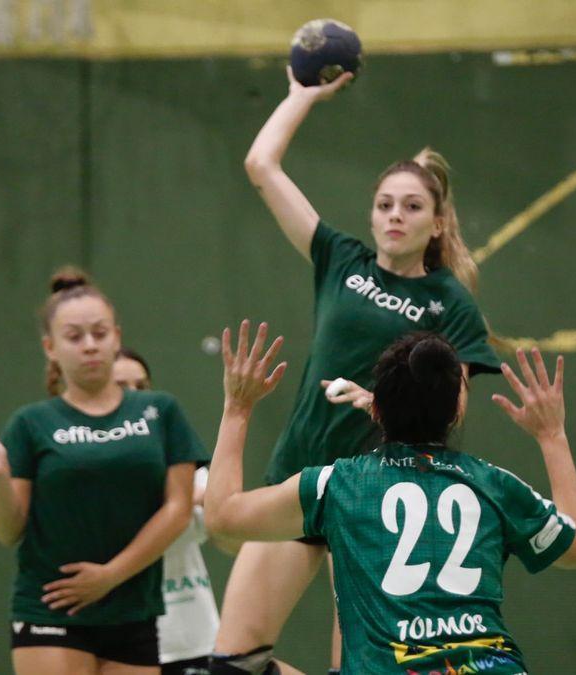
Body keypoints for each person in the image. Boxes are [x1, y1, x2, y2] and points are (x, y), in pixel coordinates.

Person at [213, 67, 502, 673]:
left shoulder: (450, 303)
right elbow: (261, 166)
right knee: (232, 663)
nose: (396, 215)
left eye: (412, 205)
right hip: (299, 479)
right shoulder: (340, 260)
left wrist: (377, 401)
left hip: (376, 498)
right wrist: (301, 95)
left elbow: (451, 411)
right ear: (371, 216)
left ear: (438, 221)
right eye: (384, 204)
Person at [205, 322, 576, 674]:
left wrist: (237, 408)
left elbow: (222, 516)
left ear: (375, 408)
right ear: (456, 411)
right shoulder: (495, 485)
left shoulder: (338, 484)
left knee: (238, 669)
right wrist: (552, 436)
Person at [0, 268, 207, 674]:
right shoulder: (30, 424)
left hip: (133, 609)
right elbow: (8, 530)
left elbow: (178, 509)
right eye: (74, 336)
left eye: (100, 334)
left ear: (116, 336)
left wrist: (110, 576)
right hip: (51, 608)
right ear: (50, 347)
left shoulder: (161, 411)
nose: (89, 346)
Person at [113, 349, 224, 675]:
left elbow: (216, 505)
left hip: (196, 639)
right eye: (121, 385)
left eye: (142, 385)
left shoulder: (179, 455)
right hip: (124, 642)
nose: (134, 395)